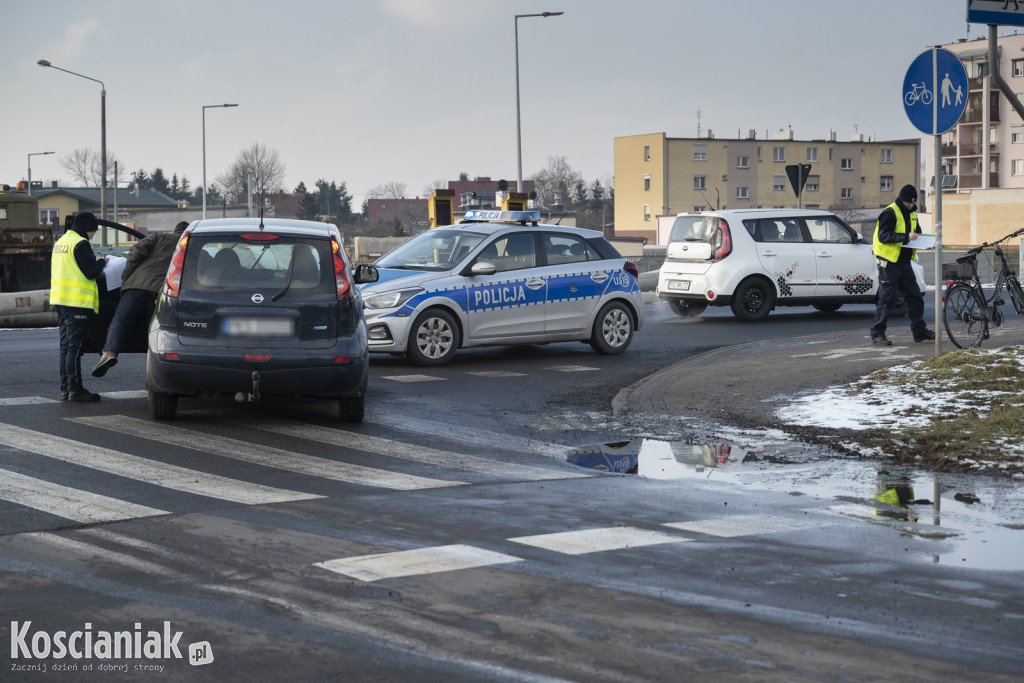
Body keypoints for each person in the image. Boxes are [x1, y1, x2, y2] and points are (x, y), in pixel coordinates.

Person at [92, 221, 189, 377]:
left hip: (136, 288)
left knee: (120, 320)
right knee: (155, 333)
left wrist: (126, 275)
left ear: (174, 231)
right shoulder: (188, 248)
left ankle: (109, 353)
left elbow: (136, 251)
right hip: (160, 294)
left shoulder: (158, 237)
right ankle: (154, 377)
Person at [51, 212, 107, 402]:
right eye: (93, 231)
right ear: (87, 228)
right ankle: (75, 390)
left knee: (65, 347)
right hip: (76, 303)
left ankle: (66, 389)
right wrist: (102, 262)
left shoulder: (61, 242)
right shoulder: (80, 244)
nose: (93, 235)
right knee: (74, 347)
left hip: (61, 300)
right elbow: (91, 271)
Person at [870, 184, 934, 346]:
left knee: (915, 297)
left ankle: (919, 332)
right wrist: (905, 236)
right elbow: (883, 236)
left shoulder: (912, 214)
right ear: (901, 199)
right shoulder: (889, 212)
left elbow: (916, 232)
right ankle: (877, 333)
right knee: (888, 299)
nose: (911, 205)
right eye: (908, 203)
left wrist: (924, 240)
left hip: (904, 262)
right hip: (888, 262)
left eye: (913, 203)